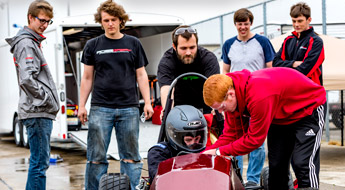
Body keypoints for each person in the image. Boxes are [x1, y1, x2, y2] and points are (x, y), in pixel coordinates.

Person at [202, 68, 326, 190]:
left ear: (231, 94)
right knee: (276, 166)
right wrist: (205, 154)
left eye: (221, 107)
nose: (220, 112)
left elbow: (254, 140)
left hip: (308, 109)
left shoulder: (258, 96)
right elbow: (231, 135)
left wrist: (219, 152)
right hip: (280, 114)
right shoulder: (230, 98)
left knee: (302, 163)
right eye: (217, 108)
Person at [77, 1, 154, 189]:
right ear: (101, 22)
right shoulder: (92, 45)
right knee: (96, 157)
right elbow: (87, 78)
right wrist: (82, 105)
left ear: (121, 20)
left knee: (131, 156)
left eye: (113, 19)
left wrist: (148, 103)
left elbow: (141, 74)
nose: (110, 23)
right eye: (106, 20)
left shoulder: (133, 43)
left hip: (129, 108)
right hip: (100, 108)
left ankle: (131, 187)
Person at [5, 1, 59, 189]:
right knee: (39, 164)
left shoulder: (31, 42)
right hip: (37, 111)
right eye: (42, 20)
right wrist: (45, 99)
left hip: (37, 111)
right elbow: (27, 79)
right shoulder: (27, 43)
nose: (44, 25)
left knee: (39, 163)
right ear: (30, 17)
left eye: (48, 22)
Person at [221, 8, 276, 187]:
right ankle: (237, 177)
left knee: (256, 141)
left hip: (256, 97)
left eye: (246, 23)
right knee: (236, 138)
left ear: (250, 23)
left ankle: (252, 179)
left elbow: (270, 67)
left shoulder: (262, 42)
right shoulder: (229, 44)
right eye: (239, 24)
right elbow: (225, 71)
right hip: (235, 100)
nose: (243, 27)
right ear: (235, 25)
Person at [157, 25, 220, 114]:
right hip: (178, 110)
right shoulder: (167, 61)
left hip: (205, 109)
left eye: (192, 47)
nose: (188, 52)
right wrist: (167, 111)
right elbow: (166, 89)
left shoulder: (208, 58)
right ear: (174, 46)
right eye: (183, 48)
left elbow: (214, 86)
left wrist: (217, 108)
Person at [147, 105, 208, 184]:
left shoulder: (206, 151)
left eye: (197, 139)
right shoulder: (158, 153)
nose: (193, 143)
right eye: (188, 140)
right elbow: (161, 181)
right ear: (174, 135)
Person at [273, 2, 324, 86]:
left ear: (309, 20)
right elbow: (275, 63)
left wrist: (284, 70)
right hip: (290, 92)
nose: (296, 24)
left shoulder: (316, 41)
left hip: (310, 94)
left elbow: (305, 69)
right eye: (294, 21)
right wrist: (293, 63)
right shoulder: (288, 40)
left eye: (300, 21)